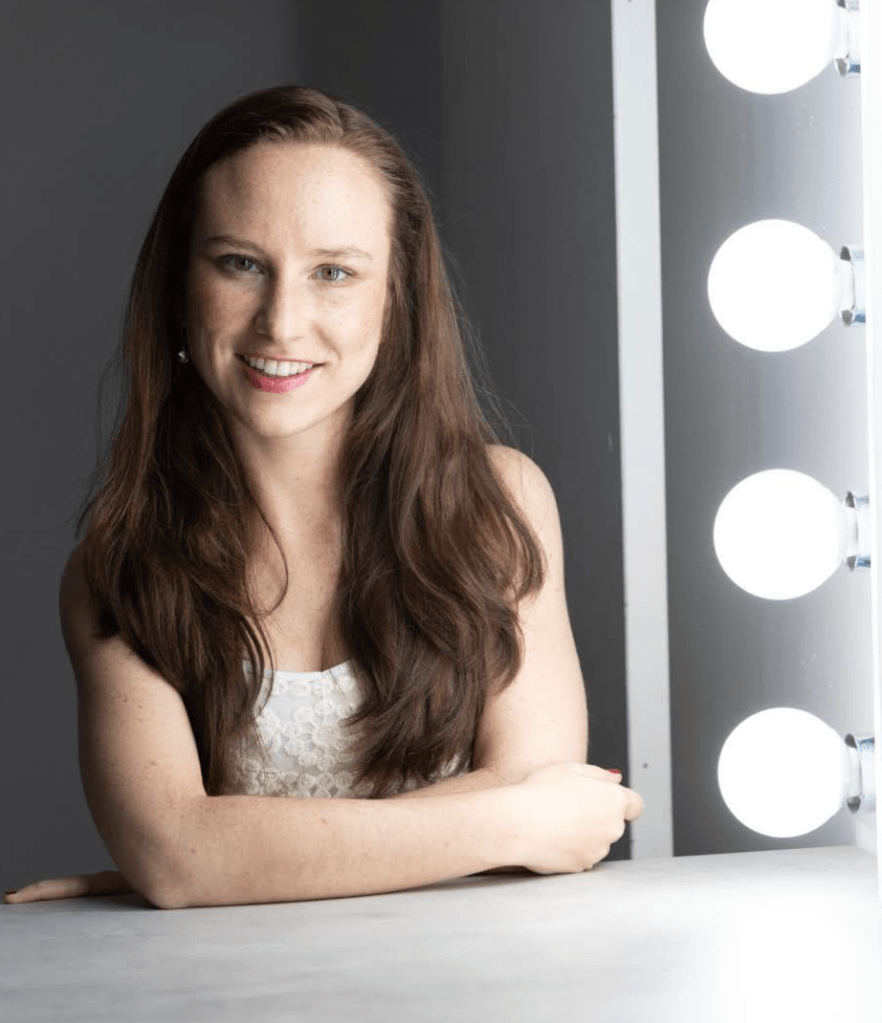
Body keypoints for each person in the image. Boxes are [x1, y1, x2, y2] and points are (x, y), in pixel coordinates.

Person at [4, 85, 643, 910]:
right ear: (177, 286)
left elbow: (535, 788)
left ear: (396, 298)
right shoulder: (119, 570)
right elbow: (175, 855)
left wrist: (244, 860)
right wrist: (507, 820)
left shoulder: (497, 501)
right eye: (240, 263)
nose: (282, 321)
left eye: (333, 272)